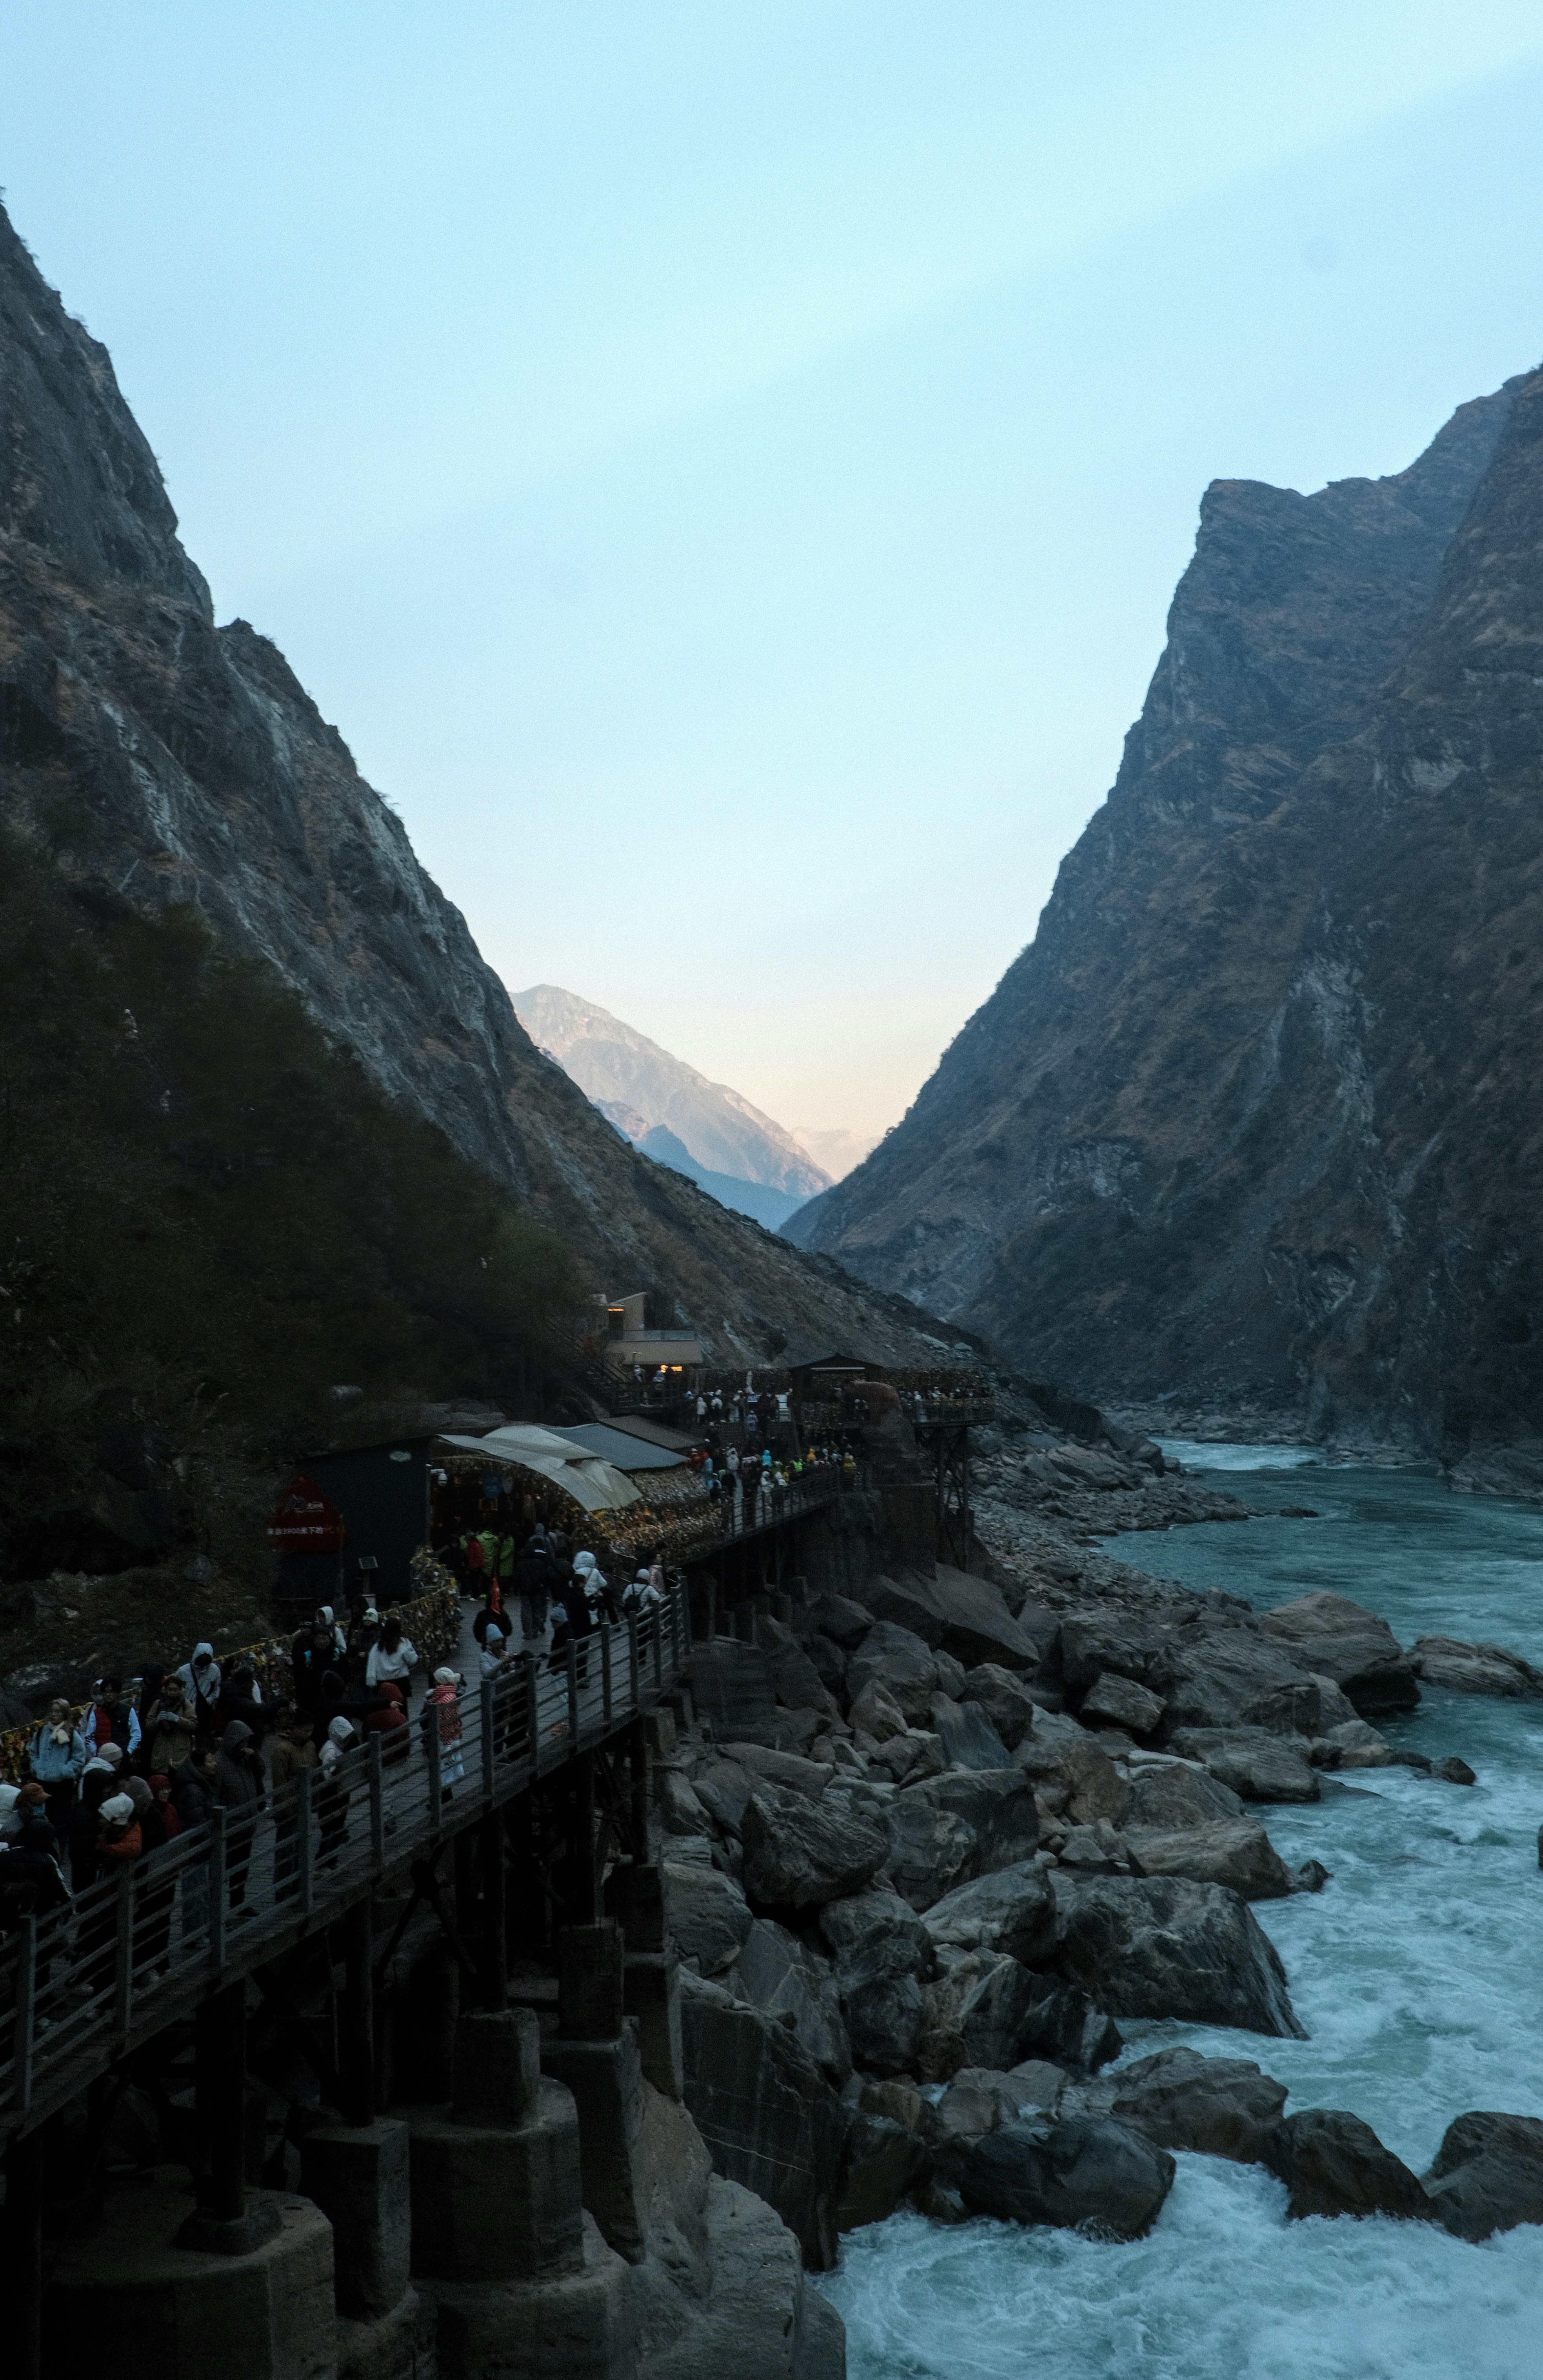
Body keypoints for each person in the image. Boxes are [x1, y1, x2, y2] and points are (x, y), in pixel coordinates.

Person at [213, 1720, 264, 1908]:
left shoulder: (247, 1760)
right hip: (231, 1827)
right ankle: (219, 1911)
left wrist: (255, 1756)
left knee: (242, 1870)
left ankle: (238, 1904)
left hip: (247, 1824)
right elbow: (215, 1794)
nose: (244, 1747)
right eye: (241, 1743)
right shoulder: (220, 1763)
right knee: (224, 1872)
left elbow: (262, 1772)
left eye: (246, 1743)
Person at [267, 1708, 318, 1899]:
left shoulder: (310, 1746)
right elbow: (280, 1781)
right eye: (305, 1730)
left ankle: (299, 1886)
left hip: (304, 1805)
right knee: (286, 1851)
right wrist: (288, 1808)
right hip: (288, 1810)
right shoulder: (283, 1750)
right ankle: (283, 1890)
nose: (308, 1734)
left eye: (310, 1730)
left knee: (301, 1849)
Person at [28, 1697, 86, 1845]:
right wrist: (36, 1766)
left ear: (65, 1714)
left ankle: (59, 1847)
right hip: (42, 1781)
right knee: (41, 1816)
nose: (54, 1715)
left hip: (62, 1784)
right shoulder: (41, 1732)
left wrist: (65, 1771)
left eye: (58, 1712)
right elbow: (33, 1751)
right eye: (52, 1711)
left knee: (59, 1819)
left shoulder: (72, 1734)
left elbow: (79, 1758)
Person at [318, 1716, 357, 1866]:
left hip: (339, 1794)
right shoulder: (331, 1750)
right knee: (331, 1828)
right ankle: (326, 1860)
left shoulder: (337, 1748)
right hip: (332, 1796)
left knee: (336, 1827)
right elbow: (328, 1775)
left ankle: (330, 1858)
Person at [141, 1677, 197, 1779]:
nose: (172, 1693)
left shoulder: (186, 1704)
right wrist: (157, 1721)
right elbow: (148, 1726)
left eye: (175, 1690)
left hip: (181, 1754)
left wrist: (178, 1720)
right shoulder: (158, 1704)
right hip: (161, 1754)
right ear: (165, 1690)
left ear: (180, 1690)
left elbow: (193, 1725)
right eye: (170, 1690)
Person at [425, 1667, 464, 1798]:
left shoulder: (444, 1700)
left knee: (443, 1771)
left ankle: (443, 1799)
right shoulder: (449, 1695)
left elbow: (447, 1724)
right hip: (451, 1737)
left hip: (445, 1740)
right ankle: (444, 1796)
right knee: (446, 1771)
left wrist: (448, 1745)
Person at [85, 1675, 141, 1761]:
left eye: (111, 1692)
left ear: (117, 1693)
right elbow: (89, 1737)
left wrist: (128, 1752)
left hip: (123, 1759)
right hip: (102, 1759)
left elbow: (136, 1734)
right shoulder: (96, 1714)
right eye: (105, 1692)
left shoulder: (129, 1711)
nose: (108, 1695)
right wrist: (97, 1753)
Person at [176, 1643, 224, 1740]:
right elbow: (176, 1689)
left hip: (204, 1711)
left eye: (206, 1658)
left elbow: (216, 1690)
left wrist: (208, 1701)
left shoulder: (215, 1671)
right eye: (201, 1657)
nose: (204, 1660)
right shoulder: (183, 1672)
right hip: (186, 1709)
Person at [513, 1536, 552, 1644]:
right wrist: (544, 1586)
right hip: (537, 1591)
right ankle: (535, 1631)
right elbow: (544, 1577)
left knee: (526, 1610)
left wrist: (516, 1588)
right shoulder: (539, 1563)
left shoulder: (521, 1563)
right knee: (536, 1611)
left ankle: (528, 1632)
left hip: (525, 1591)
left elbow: (517, 1577)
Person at [365, 1613, 418, 1693]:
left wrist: (371, 1682)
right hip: (401, 1682)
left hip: (382, 1683)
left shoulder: (377, 1647)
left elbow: (372, 1665)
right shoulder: (404, 1643)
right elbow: (412, 1660)